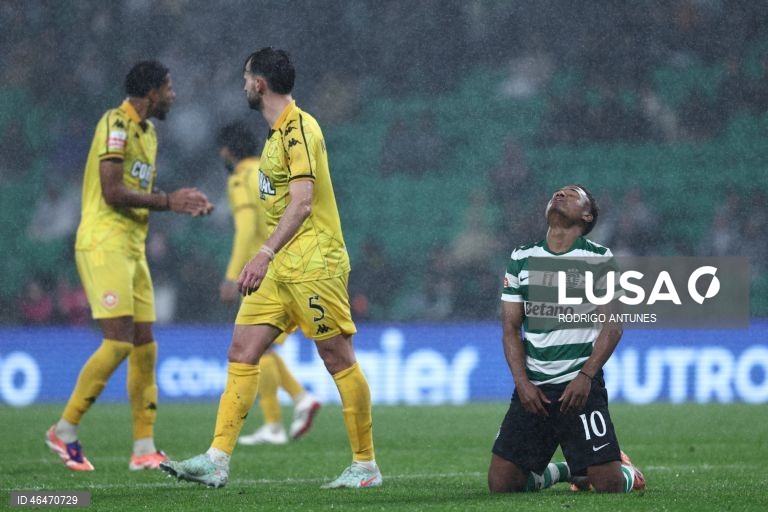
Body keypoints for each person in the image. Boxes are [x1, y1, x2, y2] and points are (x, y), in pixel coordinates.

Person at [160, 48, 380, 489]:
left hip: (314, 262)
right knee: (242, 351)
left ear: (260, 84)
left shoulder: (300, 129)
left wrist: (261, 253)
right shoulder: (275, 135)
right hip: (281, 267)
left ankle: (365, 466)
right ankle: (216, 459)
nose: (243, 85)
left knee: (337, 357)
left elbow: (301, 204)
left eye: (246, 78)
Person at [45, 61, 214, 472]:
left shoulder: (149, 133)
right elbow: (111, 189)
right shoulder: (115, 123)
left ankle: (144, 448)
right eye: (169, 88)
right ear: (151, 92)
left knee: (145, 347)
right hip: (104, 244)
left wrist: (179, 202)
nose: (173, 95)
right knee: (118, 342)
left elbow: (136, 190)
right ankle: (63, 430)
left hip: (133, 249)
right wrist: (168, 200)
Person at [488, 184, 646, 494]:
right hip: (534, 388)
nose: (560, 194)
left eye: (572, 194)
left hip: (579, 386)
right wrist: (522, 383)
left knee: (609, 485)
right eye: (557, 193)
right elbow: (510, 328)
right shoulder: (522, 256)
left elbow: (612, 326)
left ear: (586, 216)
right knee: (502, 484)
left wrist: (586, 376)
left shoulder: (598, 259)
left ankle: (629, 472)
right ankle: (565, 471)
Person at [216, 121, 321, 445]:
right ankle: (280, 419)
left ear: (227, 151)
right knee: (262, 350)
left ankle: (296, 403)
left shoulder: (238, 179)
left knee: (253, 349)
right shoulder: (262, 173)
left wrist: (234, 273)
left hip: (259, 271)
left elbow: (247, 228)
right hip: (284, 260)